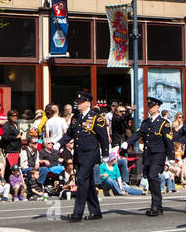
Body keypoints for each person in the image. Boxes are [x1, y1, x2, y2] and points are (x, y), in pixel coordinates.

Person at [57, 91, 109, 222]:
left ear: (87, 103)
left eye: (81, 102)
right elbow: (69, 134)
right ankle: (96, 212)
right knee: (88, 183)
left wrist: (106, 153)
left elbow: (103, 137)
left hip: (90, 154)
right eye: (78, 102)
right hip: (79, 155)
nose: (78, 105)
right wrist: (58, 143)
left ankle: (77, 213)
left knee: (80, 180)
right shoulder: (76, 118)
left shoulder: (96, 118)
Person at [121, 96, 172, 216]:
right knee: (150, 177)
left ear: (158, 107)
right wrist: (127, 142)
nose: (150, 108)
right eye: (149, 106)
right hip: (148, 155)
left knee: (153, 176)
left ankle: (155, 205)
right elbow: (138, 134)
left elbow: (168, 141)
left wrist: (171, 157)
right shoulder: (146, 122)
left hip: (158, 154)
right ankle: (158, 205)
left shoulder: (164, 123)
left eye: (152, 106)